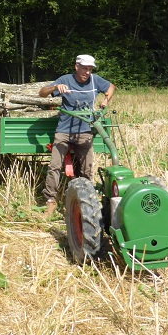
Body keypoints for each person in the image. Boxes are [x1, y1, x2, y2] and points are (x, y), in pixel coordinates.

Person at [38, 54, 115, 218]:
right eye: (85, 68)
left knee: (87, 170)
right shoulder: (65, 79)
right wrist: (55, 88)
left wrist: (106, 101)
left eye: (90, 69)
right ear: (76, 66)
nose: (87, 72)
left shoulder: (95, 80)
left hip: (85, 131)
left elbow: (111, 87)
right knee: (54, 166)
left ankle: (84, 201)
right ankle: (51, 201)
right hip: (64, 131)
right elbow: (42, 93)